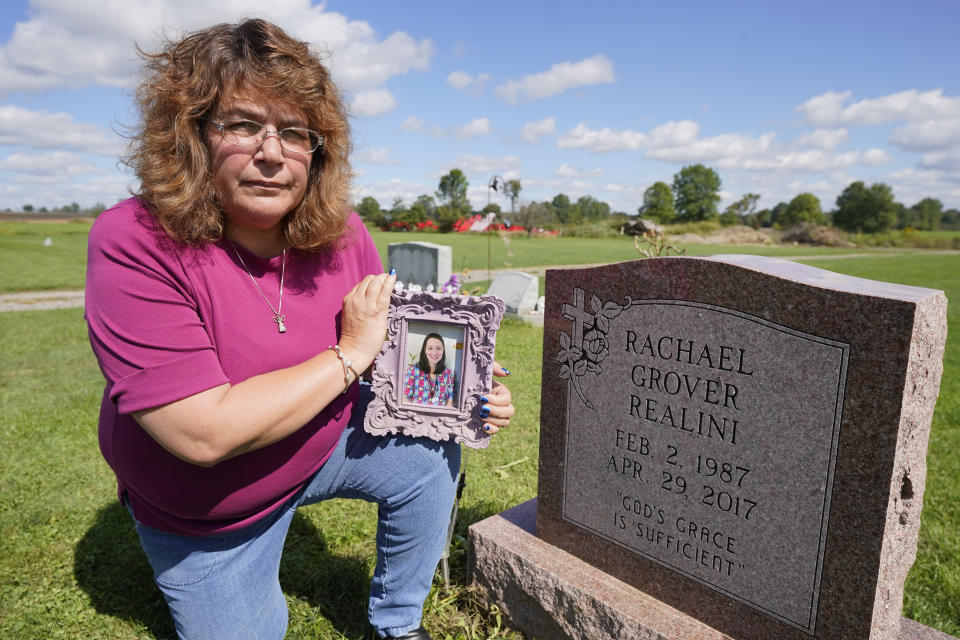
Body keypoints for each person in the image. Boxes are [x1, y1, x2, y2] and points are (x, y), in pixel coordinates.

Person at [83, 18, 514, 640]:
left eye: (293, 132)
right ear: (191, 136)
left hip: (322, 445)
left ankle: (397, 623)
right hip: (208, 506)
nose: (271, 151)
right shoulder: (136, 240)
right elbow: (201, 434)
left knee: (428, 451)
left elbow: (389, 360)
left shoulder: (344, 235)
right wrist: (349, 353)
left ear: (319, 150)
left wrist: (456, 390)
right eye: (241, 124)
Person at [403, 333, 455, 406]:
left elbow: (449, 402)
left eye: (438, 348)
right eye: (430, 348)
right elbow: (406, 399)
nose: (434, 353)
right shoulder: (413, 371)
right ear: (425, 350)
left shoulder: (448, 374)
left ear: (443, 350)